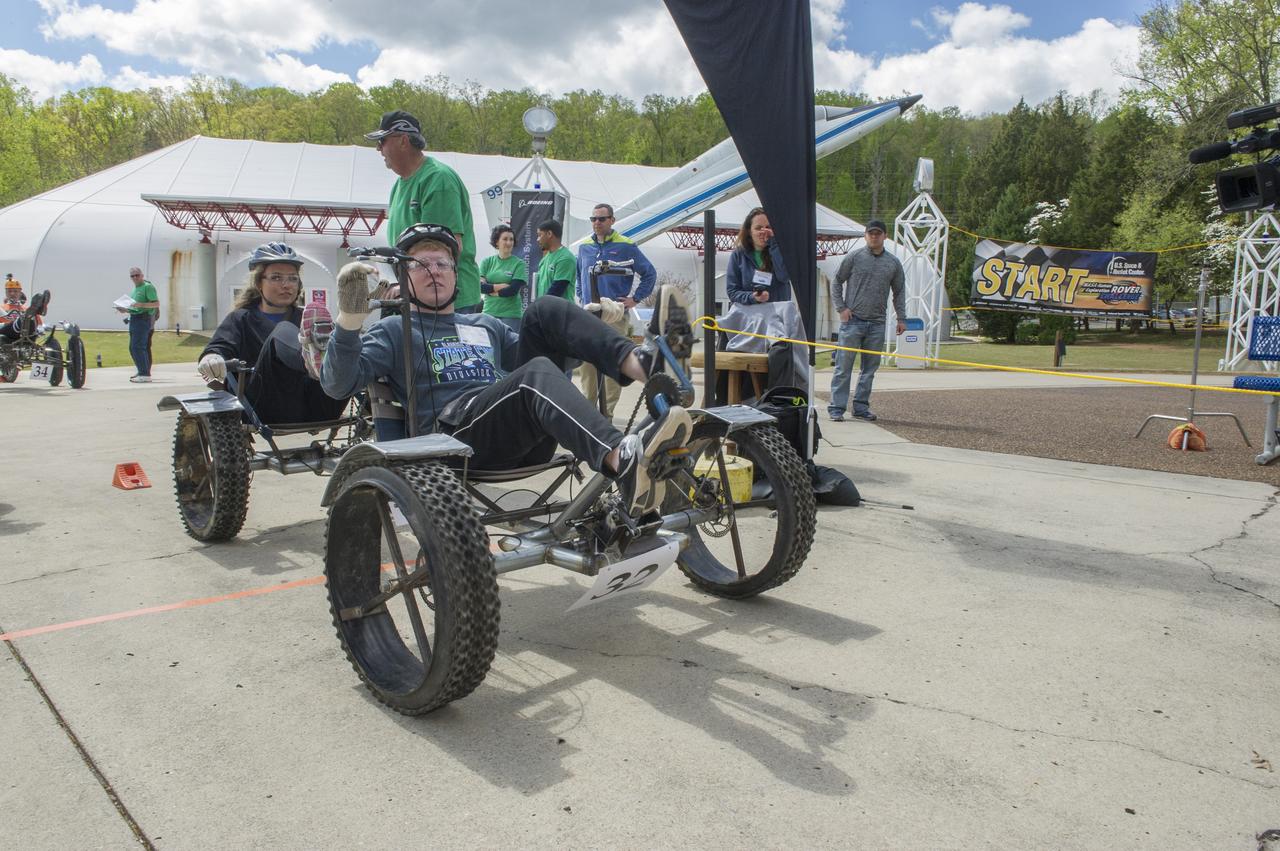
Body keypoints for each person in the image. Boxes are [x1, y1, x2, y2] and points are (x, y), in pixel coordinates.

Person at [318, 224, 695, 517]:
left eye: (442, 263)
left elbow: (557, 364)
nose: (434, 271)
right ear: (403, 276)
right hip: (451, 440)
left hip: (519, 434)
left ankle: (647, 364)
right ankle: (620, 460)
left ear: (456, 273)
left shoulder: (485, 324)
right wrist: (349, 321)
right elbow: (337, 385)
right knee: (535, 373)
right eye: (420, 264)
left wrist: (590, 324)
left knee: (545, 309)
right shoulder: (394, 329)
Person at [197, 242, 349, 426]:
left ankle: (329, 365)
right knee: (284, 331)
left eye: (292, 278)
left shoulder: (309, 317)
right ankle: (317, 362)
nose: (286, 285)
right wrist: (212, 358)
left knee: (358, 343)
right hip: (263, 408)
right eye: (276, 277)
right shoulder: (240, 319)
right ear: (258, 283)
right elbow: (219, 346)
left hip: (317, 406)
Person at [365, 110, 481, 314]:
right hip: (418, 297)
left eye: (382, 141)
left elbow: (440, 252)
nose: (378, 149)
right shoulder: (399, 185)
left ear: (403, 140)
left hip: (449, 303)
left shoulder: (438, 179)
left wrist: (403, 286)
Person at [575, 203, 656, 417]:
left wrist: (634, 299)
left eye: (602, 219)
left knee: (613, 364)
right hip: (589, 315)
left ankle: (607, 415)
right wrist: (582, 296)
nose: (597, 223)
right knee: (587, 366)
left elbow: (649, 273)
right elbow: (579, 275)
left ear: (612, 220)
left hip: (615, 316)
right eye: (593, 219)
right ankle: (588, 414)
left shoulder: (626, 246)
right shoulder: (584, 247)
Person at [827, 220, 906, 422]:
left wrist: (901, 318)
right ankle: (836, 408)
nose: (874, 236)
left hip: (877, 324)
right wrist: (841, 308)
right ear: (865, 236)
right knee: (843, 368)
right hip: (853, 321)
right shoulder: (854, 257)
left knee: (869, 370)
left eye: (878, 233)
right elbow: (837, 281)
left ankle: (861, 407)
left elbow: (899, 292)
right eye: (871, 233)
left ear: (885, 236)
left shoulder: (893, 263)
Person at [725, 207, 792, 306]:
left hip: (777, 313)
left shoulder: (780, 250)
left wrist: (774, 243)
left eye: (768, 227)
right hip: (749, 314)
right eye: (758, 228)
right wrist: (753, 297)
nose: (763, 231)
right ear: (749, 231)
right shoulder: (738, 255)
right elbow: (732, 292)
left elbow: (784, 277)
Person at [478, 224, 526, 333]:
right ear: (496, 242)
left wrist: (491, 291)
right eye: (505, 239)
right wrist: (500, 286)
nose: (509, 242)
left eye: (511, 239)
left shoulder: (519, 264)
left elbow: (512, 290)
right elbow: (481, 287)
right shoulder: (487, 262)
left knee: (509, 344)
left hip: (511, 315)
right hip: (489, 313)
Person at [116, 267, 160, 382]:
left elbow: (156, 303)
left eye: (137, 275)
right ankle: (142, 371)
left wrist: (141, 304)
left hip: (143, 319)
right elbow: (135, 308)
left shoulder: (147, 287)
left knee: (138, 347)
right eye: (132, 276)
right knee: (133, 348)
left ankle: (144, 374)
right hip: (135, 318)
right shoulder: (135, 290)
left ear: (142, 275)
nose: (135, 277)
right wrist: (125, 310)